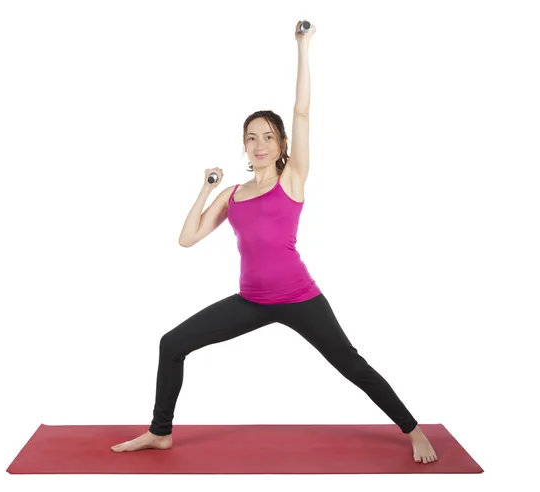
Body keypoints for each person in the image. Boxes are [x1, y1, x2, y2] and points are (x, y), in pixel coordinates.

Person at [111, 21, 438, 464]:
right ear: (243, 147)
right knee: (172, 344)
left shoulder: (292, 179)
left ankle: (413, 430)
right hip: (252, 301)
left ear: (281, 143)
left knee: (351, 364)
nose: (259, 144)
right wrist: (206, 189)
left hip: (300, 298)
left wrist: (302, 46)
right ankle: (160, 431)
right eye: (251, 138)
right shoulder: (233, 195)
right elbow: (187, 239)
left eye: (268, 136)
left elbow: (301, 112)